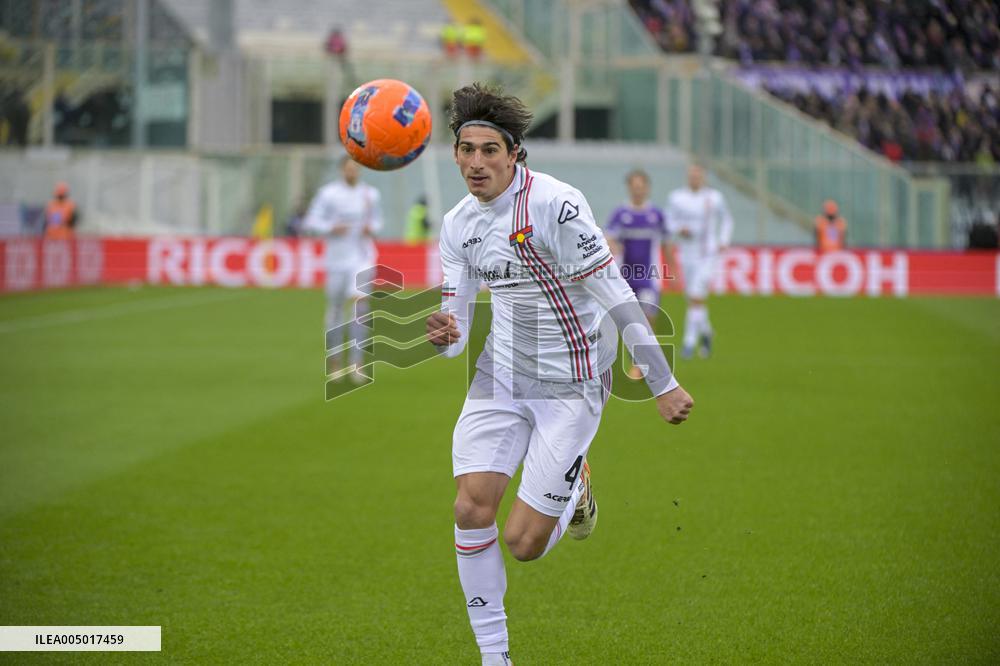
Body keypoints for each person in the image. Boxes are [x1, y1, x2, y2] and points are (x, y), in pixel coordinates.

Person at [425, 83, 694, 666]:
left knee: (523, 545)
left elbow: (615, 291)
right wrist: (447, 333)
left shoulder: (557, 205)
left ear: (515, 152)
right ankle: (494, 658)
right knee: (471, 508)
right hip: (499, 376)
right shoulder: (456, 225)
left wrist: (661, 380)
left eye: (489, 150)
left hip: (571, 387)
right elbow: (456, 320)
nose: (475, 163)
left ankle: (577, 487)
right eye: (465, 149)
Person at [303, 156, 382, 383]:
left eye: (356, 169)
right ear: (342, 170)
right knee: (336, 309)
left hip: (362, 258)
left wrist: (371, 228)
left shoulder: (370, 194)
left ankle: (357, 363)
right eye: (348, 169)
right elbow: (311, 222)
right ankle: (335, 361)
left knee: (360, 308)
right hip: (336, 260)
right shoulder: (328, 194)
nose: (352, 172)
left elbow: (378, 222)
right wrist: (330, 227)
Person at [604, 169, 670, 380]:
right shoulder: (620, 214)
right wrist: (614, 245)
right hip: (624, 277)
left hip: (649, 277)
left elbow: (667, 243)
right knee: (626, 322)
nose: (638, 190)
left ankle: (641, 364)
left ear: (647, 188)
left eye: (641, 187)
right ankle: (628, 361)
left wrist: (673, 269)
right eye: (634, 187)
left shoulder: (656, 215)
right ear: (629, 188)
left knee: (648, 319)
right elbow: (609, 237)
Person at [665, 164, 733, 360]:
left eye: (698, 175)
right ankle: (707, 332)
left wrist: (723, 241)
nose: (694, 178)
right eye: (691, 175)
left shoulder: (714, 197)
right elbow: (669, 221)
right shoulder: (677, 197)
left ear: (703, 177)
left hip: (708, 254)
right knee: (692, 299)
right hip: (687, 253)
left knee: (695, 296)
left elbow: (727, 219)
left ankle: (688, 343)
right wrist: (680, 229)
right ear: (687, 177)